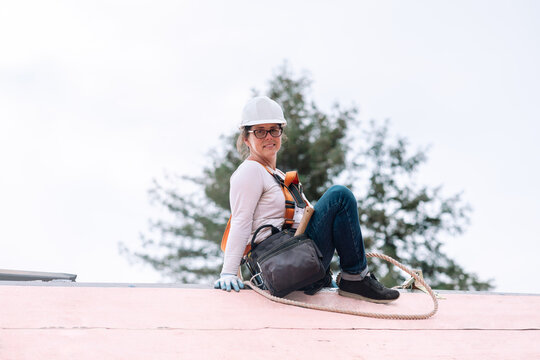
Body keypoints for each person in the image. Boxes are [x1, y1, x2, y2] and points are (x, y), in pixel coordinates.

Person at [214, 96, 399, 303]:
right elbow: (240, 220)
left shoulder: (280, 177)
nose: (268, 137)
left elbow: (312, 219)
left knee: (335, 204)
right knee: (339, 196)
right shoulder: (250, 171)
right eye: (260, 131)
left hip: (299, 261)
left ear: (281, 133)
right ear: (246, 138)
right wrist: (228, 272)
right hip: (280, 264)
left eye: (274, 130)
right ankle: (356, 278)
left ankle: (343, 278)